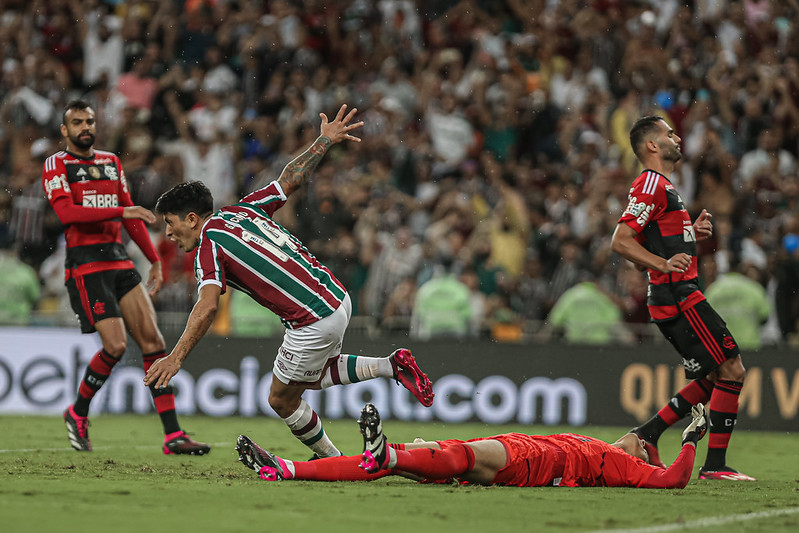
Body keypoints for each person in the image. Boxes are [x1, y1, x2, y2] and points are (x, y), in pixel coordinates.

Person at [146, 105, 434, 459]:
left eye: (170, 223)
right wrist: (323, 142)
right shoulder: (243, 210)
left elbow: (206, 306)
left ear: (192, 219)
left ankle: (333, 460)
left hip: (310, 320)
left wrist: (175, 358)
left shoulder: (209, 244)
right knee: (312, 376)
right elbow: (290, 179)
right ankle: (390, 365)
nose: (169, 233)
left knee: (281, 398)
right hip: (336, 297)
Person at [42, 100, 209, 455]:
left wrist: (154, 260)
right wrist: (121, 210)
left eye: (89, 121)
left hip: (118, 261)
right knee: (116, 346)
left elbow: (132, 218)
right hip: (85, 264)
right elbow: (67, 213)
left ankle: (172, 435)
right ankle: (78, 411)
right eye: (77, 123)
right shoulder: (57, 164)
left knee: (152, 342)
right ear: (64, 130)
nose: (85, 127)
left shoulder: (110, 162)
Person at [610, 115, 754, 481]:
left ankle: (648, 435)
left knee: (716, 374)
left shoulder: (663, 187)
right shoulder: (651, 184)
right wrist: (663, 263)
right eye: (668, 133)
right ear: (652, 146)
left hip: (676, 295)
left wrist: (692, 231)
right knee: (732, 367)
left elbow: (658, 235)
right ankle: (715, 466)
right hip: (679, 296)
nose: (677, 137)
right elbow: (621, 240)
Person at [234, 402, 708, 489]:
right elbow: (651, 437)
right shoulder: (609, 450)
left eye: (644, 445)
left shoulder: (622, 466)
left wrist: (689, 442)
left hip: (531, 461)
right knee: (395, 462)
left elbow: (674, 479)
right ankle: (288, 470)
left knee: (456, 453)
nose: (638, 438)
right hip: (526, 453)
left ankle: (392, 454)